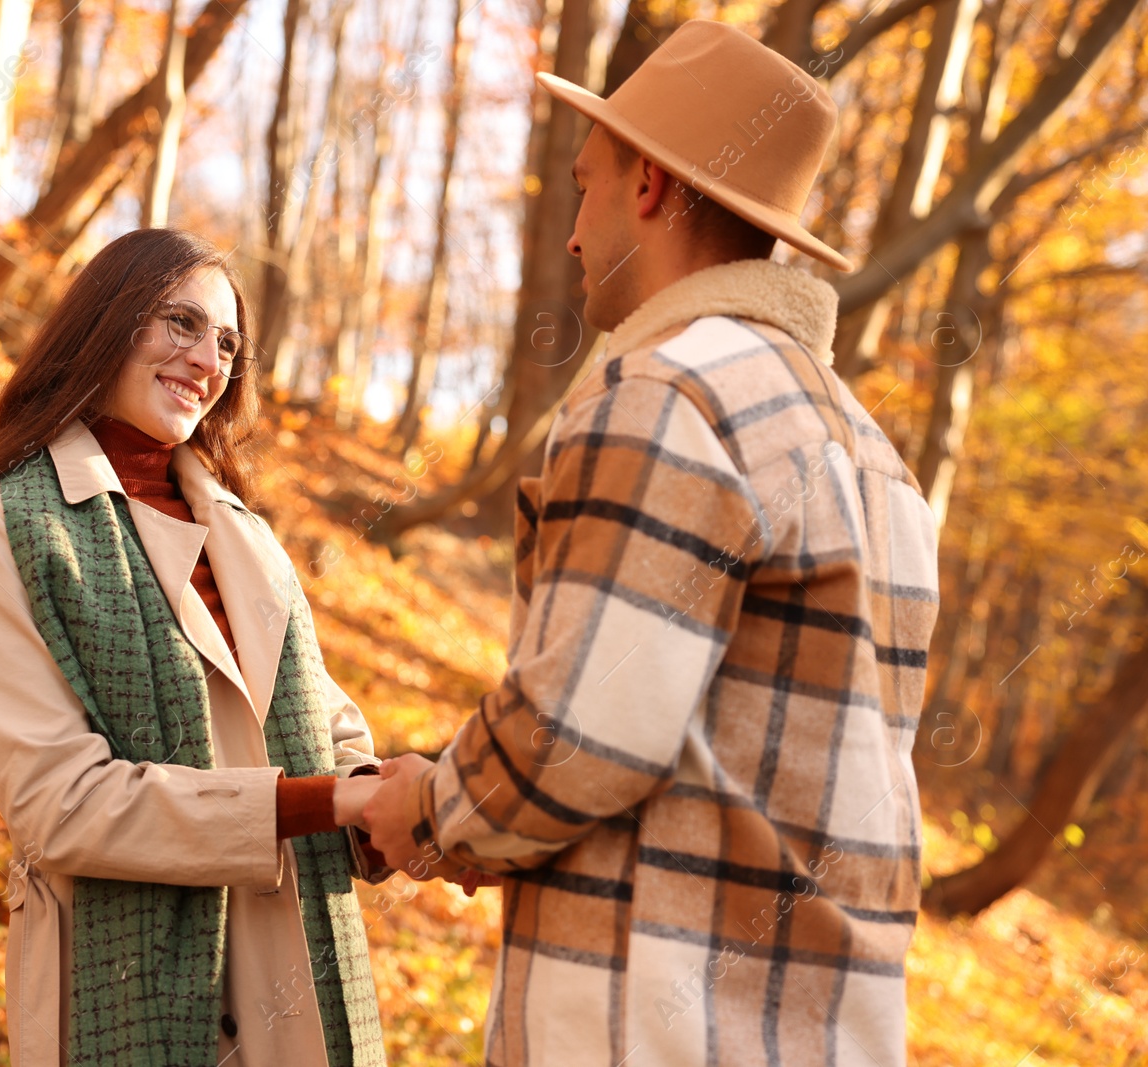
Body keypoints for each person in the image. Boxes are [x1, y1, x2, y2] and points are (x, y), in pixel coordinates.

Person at [362, 20, 939, 1067]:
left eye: (586, 185)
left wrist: (431, 806)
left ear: (649, 188)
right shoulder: (877, 460)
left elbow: (580, 734)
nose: (573, 232)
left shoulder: (666, 389)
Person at [0, 228, 394, 1067]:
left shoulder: (243, 534)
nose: (207, 360)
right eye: (180, 322)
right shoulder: (1, 527)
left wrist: (392, 804)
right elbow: (62, 804)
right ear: (107, 321)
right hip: (128, 988)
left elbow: (328, 721)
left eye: (226, 342)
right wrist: (332, 804)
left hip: (297, 976)